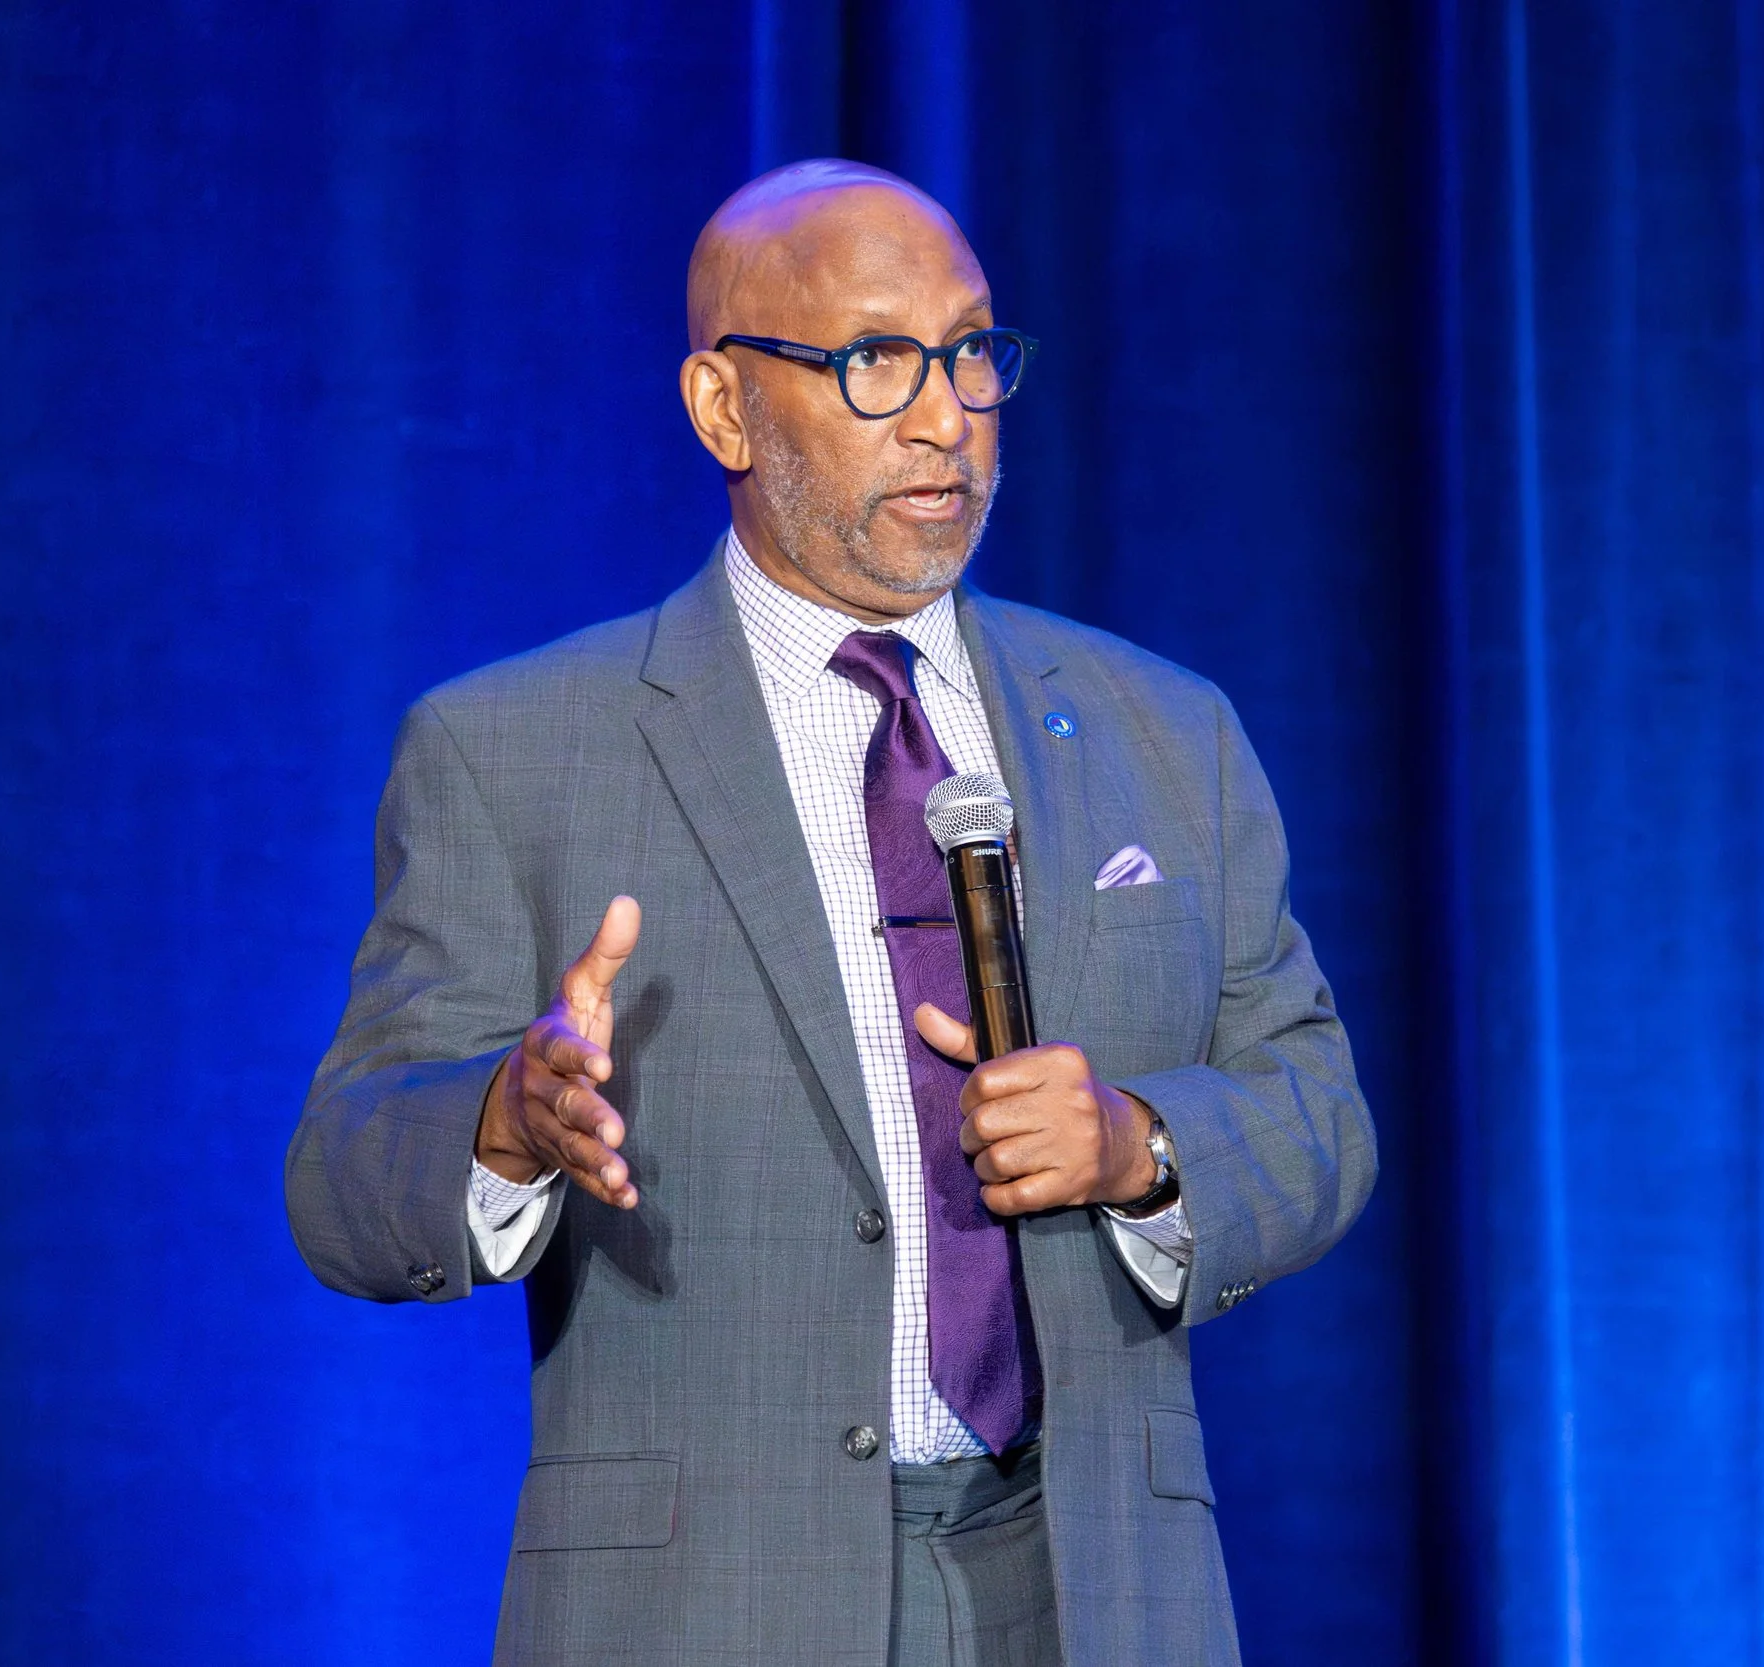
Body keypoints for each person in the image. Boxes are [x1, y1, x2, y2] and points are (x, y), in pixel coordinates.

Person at [284, 157, 1376, 1667]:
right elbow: (342, 1180)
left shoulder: (1159, 730)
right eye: (876, 363)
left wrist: (1139, 1146)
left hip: (1092, 1586)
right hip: (705, 1605)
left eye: (972, 353)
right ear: (724, 408)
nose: (947, 416)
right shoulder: (515, 748)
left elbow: (1317, 1106)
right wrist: (505, 1123)